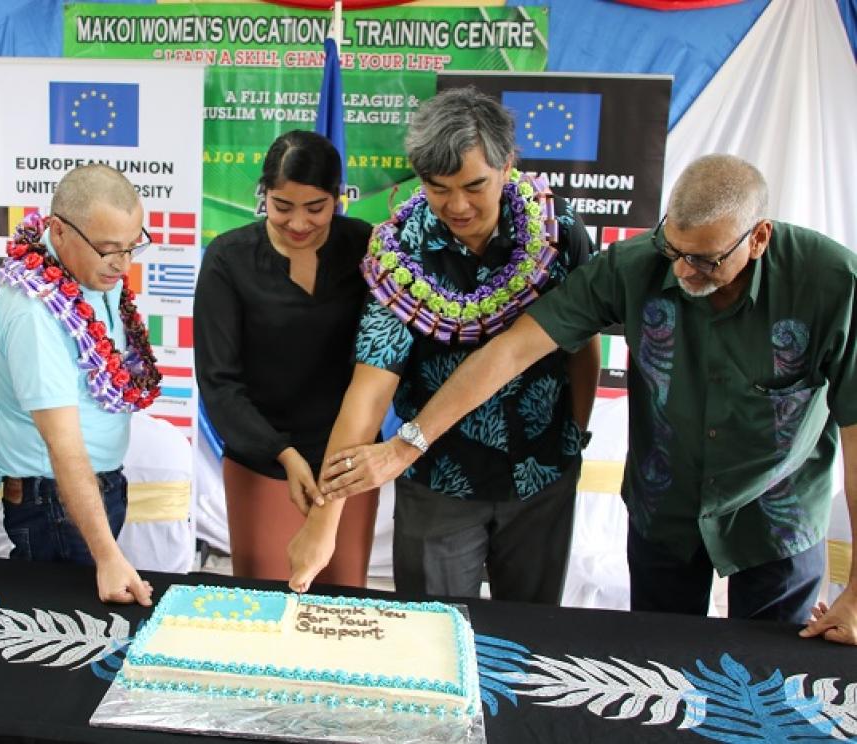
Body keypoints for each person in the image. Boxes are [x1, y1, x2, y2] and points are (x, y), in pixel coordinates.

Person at [320, 153, 857, 646]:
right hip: (665, 515)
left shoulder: (830, 284)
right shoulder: (635, 265)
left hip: (777, 520)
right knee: (659, 670)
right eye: (673, 249)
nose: (682, 272)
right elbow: (511, 351)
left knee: (771, 686)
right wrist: (407, 443)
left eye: (706, 261)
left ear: (758, 237)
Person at [288, 88, 600, 599]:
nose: (457, 205)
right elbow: (368, 393)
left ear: (508, 164)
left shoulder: (559, 233)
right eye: (437, 187)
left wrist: (575, 436)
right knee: (430, 641)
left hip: (544, 479)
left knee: (529, 642)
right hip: (437, 484)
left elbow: (582, 347)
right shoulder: (399, 252)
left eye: (474, 186)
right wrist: (325, 523)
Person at [194, 130, 379, 585]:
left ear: (339, 198)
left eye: (316, 208)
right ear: (264, 196)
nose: (298, 223)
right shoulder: (227, 260)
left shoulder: (367, 250)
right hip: (263, 461)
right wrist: (283, 453)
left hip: (348, 464)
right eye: (282, 207)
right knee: (267, 602)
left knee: (344, 606)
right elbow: (219, 384)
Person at [0, 164, 159, 605]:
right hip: (55, 505)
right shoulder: (35, 313)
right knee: (66, 640)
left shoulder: (93, 274)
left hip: (92, 492)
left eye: (131, 247)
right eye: (108, 250)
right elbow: (62, 445)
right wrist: (107, 554)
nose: (121, 264)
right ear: (58, 232)